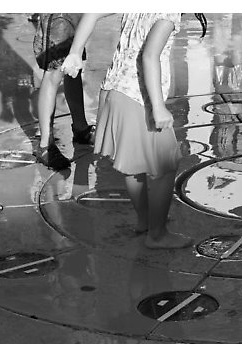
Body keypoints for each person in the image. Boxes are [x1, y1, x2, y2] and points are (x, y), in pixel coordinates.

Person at [61, 13, 207, 249]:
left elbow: (93, 11)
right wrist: (158, 107)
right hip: (138, 97)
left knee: (134, 166)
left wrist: (75, 52)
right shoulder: (169, 12)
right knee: (164, 166)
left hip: (113, 90)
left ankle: (144, 221)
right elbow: (150, 56)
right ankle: (157, 235)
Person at [33, 13, 96, 170]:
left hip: (74, 13)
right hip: (59, 15)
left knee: (73, 67)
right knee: (54, 70)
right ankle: (45, 145)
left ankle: (80, 128)